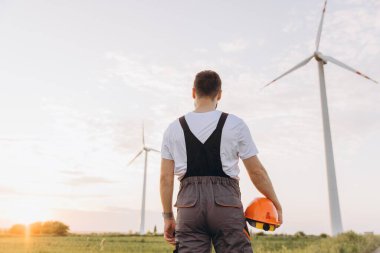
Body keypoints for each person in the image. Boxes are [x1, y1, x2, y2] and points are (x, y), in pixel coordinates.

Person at [160, 70, 282, 253]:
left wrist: (168, 216)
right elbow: (257, 172)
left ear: (193, 92)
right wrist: (275, 203)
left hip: (189, 206)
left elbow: (165, 179)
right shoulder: (236, 125)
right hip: (226, 205)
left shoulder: (173, 129)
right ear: (220, 94)